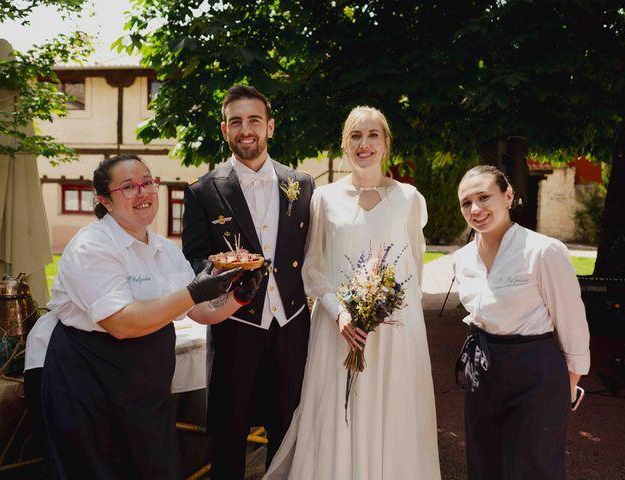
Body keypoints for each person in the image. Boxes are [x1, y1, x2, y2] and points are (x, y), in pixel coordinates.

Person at [24, 154, 263, 479]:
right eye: (128, 187)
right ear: (105, 202)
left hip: (143, 382)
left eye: (148, 182)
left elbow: (199, 312)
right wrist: (195, 291)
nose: (143, 192)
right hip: (84, 376)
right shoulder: (91, 247)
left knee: (153, 467)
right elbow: (121, 323)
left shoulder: (165, 250)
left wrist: (237, 296)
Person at [264, 106, 441, 479]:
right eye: (356, 136)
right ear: (345, 144)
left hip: (395, 333)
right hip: (337, 327)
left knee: (392, 410)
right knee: (336, 412)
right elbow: (312, 267)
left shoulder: (410, 198)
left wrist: (387, 310)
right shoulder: (324, 198)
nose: (365, 143)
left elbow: (414, 269)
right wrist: (339, 312)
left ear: (386, 143)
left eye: (373, 135)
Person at [182, 85, 315, 479]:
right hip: (235, 325)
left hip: (291, 324)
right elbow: (194, 258)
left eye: (254, 120)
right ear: (224, 130)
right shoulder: (202, 190)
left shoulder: (303, 184)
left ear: (270, 127)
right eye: (236, 121)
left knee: (288, 428)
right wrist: (223, 275)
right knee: (228, 431)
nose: (246, 129)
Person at [453, 165, 591, 480]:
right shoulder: (462, 260)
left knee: (533, 468)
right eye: (466, 202)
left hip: (535, 372)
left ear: (508, 196)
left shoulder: (543, 251)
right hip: (482, 371)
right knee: (485, 463)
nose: (475, 209)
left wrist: (567, 385)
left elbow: (572, 323)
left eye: (484, 197)